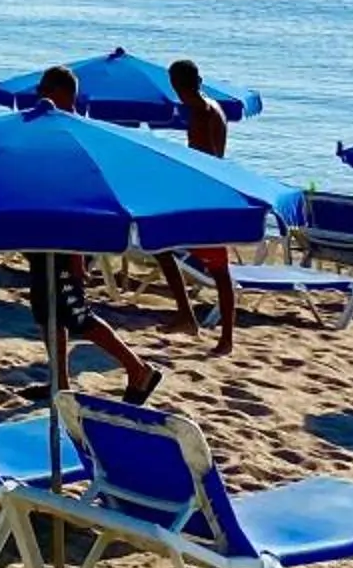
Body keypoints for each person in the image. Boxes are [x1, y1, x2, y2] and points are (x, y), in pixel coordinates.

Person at [28, 63, 159, 403]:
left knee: (77, 316)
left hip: (64, 241)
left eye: (44, 90)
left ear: (61, 93)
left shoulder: (74, 137)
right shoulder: (52, 131)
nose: (40, 96)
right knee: (47, 313)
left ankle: (138, 370)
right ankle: (59, 381)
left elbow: (78, 202)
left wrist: (76, 256)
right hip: (45, 239)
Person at [152, 58, 237, 356]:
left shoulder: (202, 114)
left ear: (175, 85)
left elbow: (206, 162)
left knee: (219, 270)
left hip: (205, 200)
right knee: (160, 245)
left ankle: (225, 338)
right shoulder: (213, 107)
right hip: (204, 197)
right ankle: (186, 316)